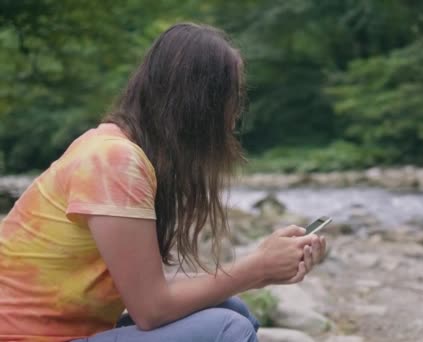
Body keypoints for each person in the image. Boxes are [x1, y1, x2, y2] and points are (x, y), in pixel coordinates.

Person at [0, 23, 326, 341]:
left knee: (231, 309)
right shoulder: (114, 161)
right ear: (200, 105)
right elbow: (151, 309)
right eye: (233, 98)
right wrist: (257, 269)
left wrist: (261, 264)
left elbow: (145, 290)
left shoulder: (117, 152)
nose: (235, 115)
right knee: (229, 329)